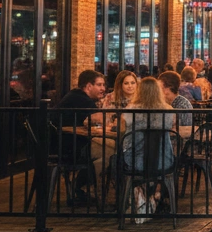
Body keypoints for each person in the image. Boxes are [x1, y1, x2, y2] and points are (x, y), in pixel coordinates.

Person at [120, 77, 176, 221]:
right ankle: (153, 196)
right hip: (163, 161)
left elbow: (122, 133)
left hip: (135, 161)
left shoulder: (129, 110)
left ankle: (138, 196)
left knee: (116, 159)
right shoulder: (168, 111)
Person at [54, 69, 109, 203]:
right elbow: (102, 119)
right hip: (66, 148)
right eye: (99, 85)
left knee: (105, 151)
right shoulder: (82, 99)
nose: (103, 88)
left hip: (58, 145)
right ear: (89, 86)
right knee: (107, 153)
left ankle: (79, 189)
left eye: (103, 85)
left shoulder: (74, 96)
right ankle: (79, 189)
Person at [159, 71, 194, 135]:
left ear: (168, 88)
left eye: (159, 87)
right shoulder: (166, 102)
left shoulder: (182, 105)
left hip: (180, 141)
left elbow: (179, 130)